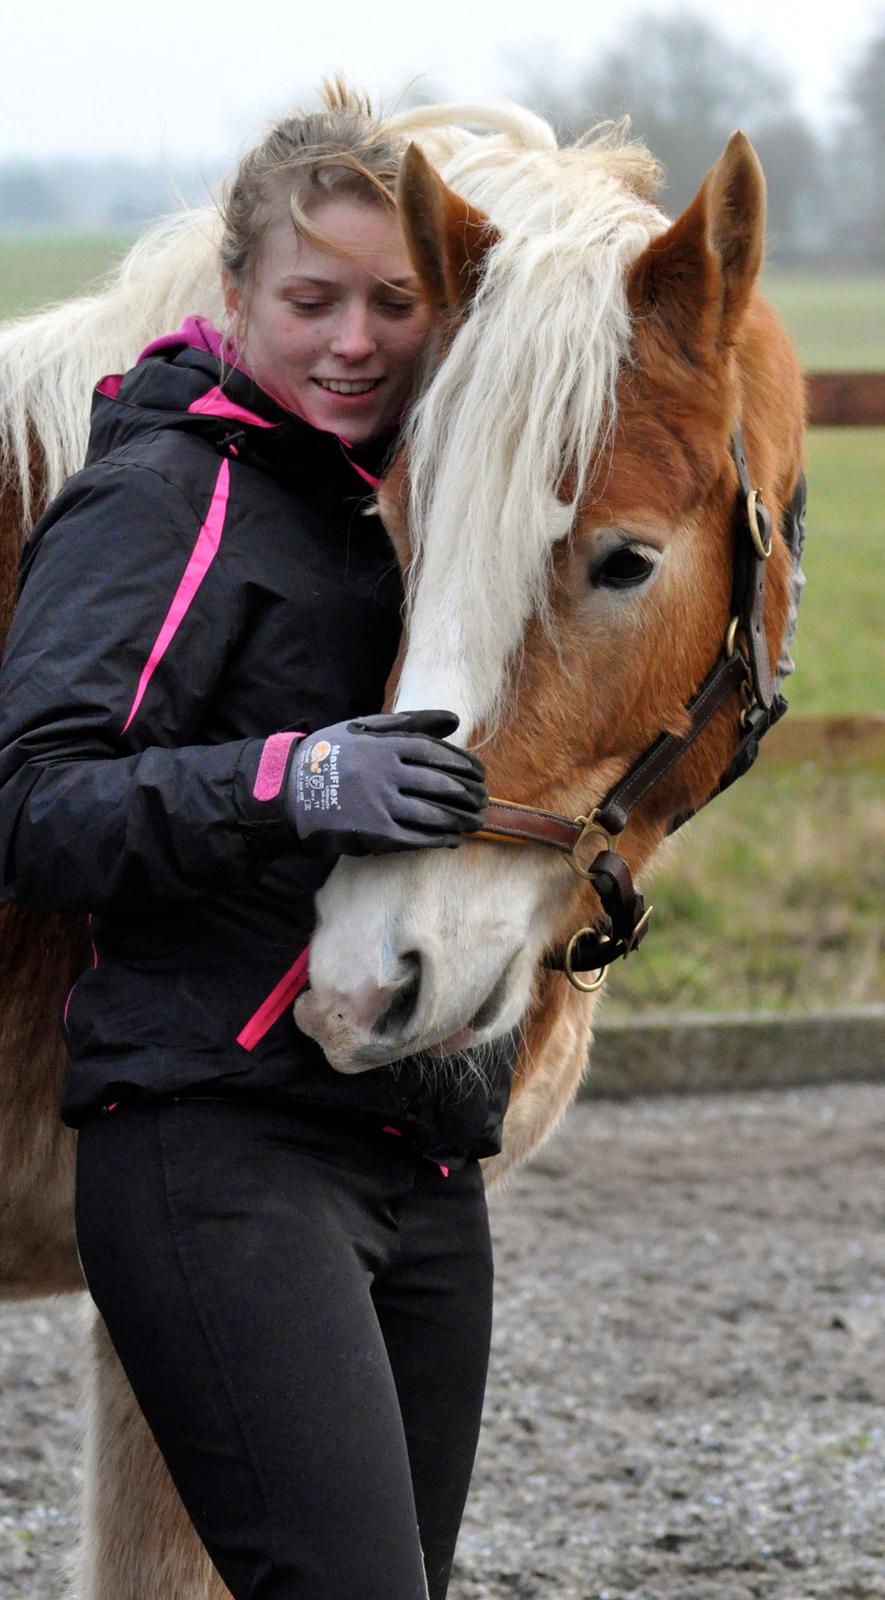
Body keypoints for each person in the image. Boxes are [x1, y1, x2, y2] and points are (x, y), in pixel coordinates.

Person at [0, 86, 516, 1600]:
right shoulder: (165, 496)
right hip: (216, 1135)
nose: (354, 341)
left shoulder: (413, 511)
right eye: (310, 299)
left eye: (393, 301)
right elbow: (29, 812)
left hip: (414, 1154)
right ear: (233, 299)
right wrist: (288, 781)